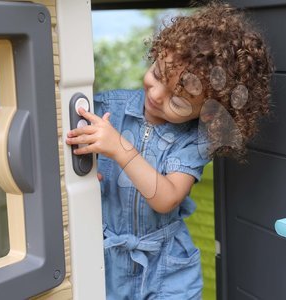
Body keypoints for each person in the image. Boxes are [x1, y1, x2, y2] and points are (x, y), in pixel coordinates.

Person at [66, 1, 273, 298]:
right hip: (108, 262)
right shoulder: (108, 106)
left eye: (178, 101)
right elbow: (68, 139)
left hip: (167, 270)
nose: (156, 94)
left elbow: (166, 198)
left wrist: (119, 148)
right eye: (158, 74)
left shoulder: (194, 141)